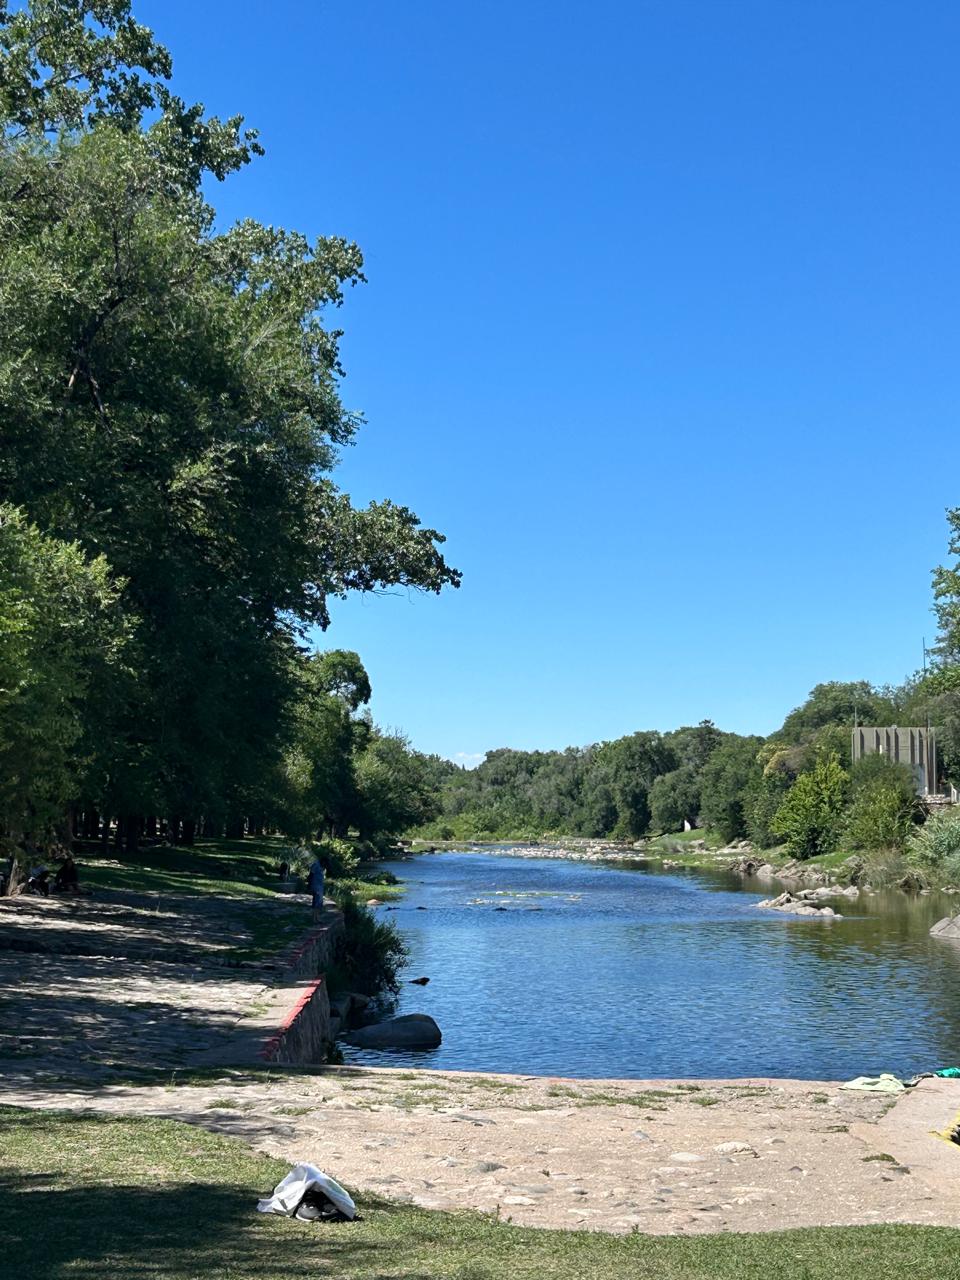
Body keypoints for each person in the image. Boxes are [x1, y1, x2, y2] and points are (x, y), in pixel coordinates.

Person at [307, 854, 325, 922]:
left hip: (320, 886)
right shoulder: (316, 864)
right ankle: (314, 918)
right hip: (316, 886)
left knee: (319, 902)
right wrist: (309, 885)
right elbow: (311, 875)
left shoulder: (321, 866)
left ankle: (317, 917)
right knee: (317, 902)